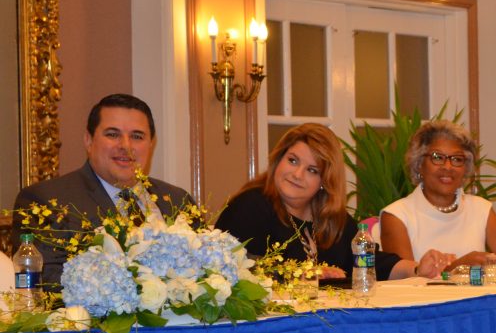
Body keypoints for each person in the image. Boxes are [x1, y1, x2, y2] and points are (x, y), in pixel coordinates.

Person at [215, 123, 449, 283]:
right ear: (278, 159)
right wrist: (304, 275)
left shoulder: (330, 217)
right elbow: (230, 270)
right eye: (293, 160)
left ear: (324, 181)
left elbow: (369, 261)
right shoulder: (251, 205)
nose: (297, 174)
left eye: (312, 169)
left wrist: (417, 269)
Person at [12, 94, 193, 287]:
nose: (125, 145)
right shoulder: (44, 201)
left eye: (137, 136)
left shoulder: (178, 200)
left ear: (151, 144)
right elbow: (48, 285)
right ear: (89, 141)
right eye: (112, 134)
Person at [380, 120, 496, 277]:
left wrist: (494, 264)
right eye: (438, 157)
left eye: (456, 159)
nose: (448, 167)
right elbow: (402, 281)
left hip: (480, 299)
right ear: (419, 163)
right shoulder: (396, 215)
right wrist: (457, 268)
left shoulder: (481, 208)